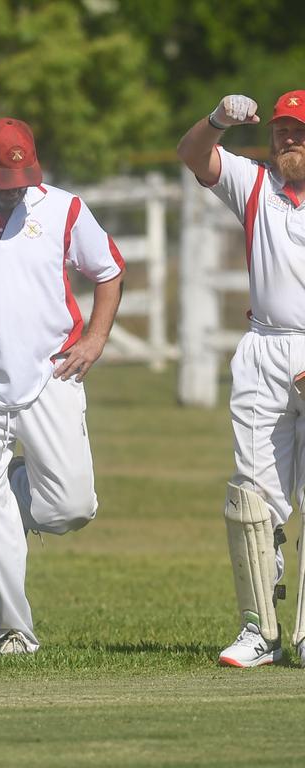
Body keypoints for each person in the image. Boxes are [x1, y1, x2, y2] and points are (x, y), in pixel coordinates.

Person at [0, 118, 125, 655]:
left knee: (71, 507)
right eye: (4, 185)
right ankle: (13, 632)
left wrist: (96, 339)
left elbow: (108, 270)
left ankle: (16, 488)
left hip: (53, 371)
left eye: (23, 183)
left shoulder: (63, 208)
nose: (15, 195)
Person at [177, 92, 305, 667]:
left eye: (298, 131)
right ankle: (260, 631)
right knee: (252, 497)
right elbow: (193, 155)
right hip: (262, 349)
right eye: (282, 130)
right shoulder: (254, 184)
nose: (287, 140)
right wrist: (217, 121)